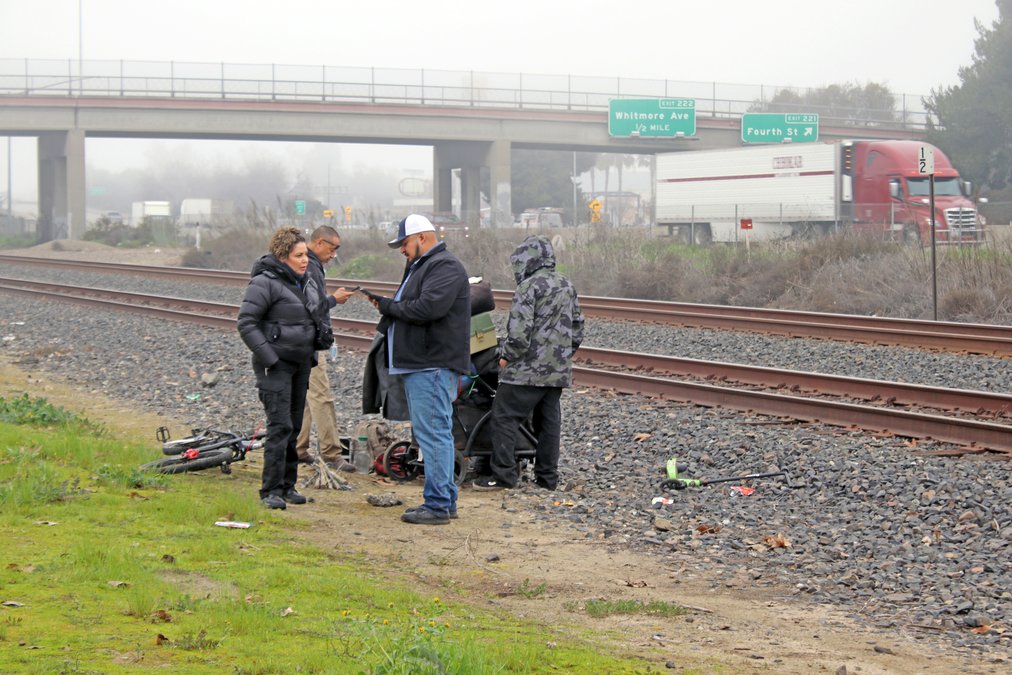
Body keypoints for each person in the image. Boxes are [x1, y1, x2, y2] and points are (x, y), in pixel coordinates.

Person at [365, 213, 470, 525]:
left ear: (421, 238)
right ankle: (445, 500)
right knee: (434, 433)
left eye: (404, 242)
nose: (401, 249)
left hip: (432, 365)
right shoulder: (424, 266)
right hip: (425, 364)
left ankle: (437, 505)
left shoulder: (444, 266)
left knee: (432, 434)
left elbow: (428, 308)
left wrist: (388, 306)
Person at [473, 235, 584, 492]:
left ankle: (503, 476)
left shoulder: (528, 287)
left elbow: (519, 334)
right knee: (549, 423)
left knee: (504, 416)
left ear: (527, 260)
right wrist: (560, 356)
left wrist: (506, 356)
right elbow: (577, 329)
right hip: (557, 372)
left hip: (526, 372)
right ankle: (547, 478)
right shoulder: (567, 285)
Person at [237, 226, 318, 510]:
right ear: (283, 256)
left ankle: (287, 485)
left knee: (294, 426)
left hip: (301, 363)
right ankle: (270, 490)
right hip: (275, 366)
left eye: (306, 254)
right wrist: (270, 358)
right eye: (299, 255)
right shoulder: (264, 282)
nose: (305, 260)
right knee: (279, 426)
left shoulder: (303, 281)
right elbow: (246, 323)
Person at [295, 225, 356, 468]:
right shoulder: (309, 266)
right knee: (321, 395)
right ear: (319, 242)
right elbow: (312, 306)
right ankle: (332, 453)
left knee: (305, 395)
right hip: (308, 341)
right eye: (332, 249)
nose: (333, 255)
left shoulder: (305, 263)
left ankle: (298, 448)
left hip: (302, 339)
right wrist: (334, 299)